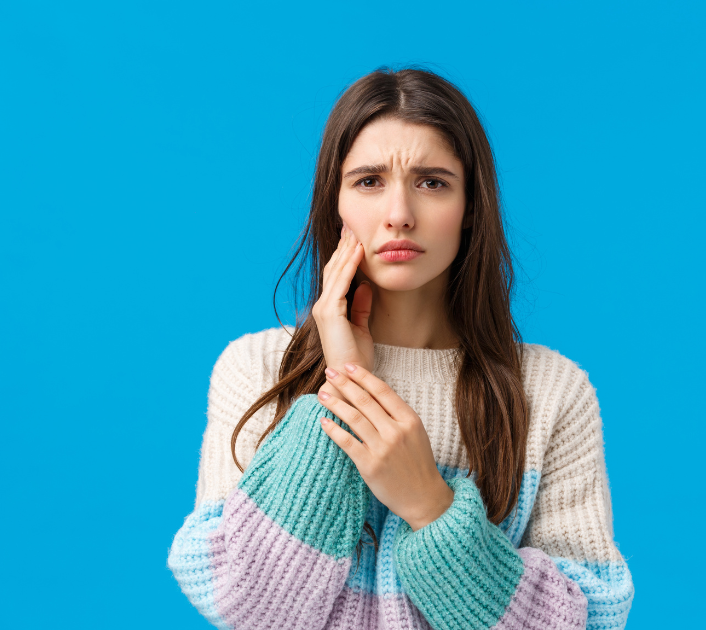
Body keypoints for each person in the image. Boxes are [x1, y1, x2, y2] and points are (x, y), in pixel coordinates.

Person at [167, 66, 635, 630]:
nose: (399, 215)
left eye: (433, 182)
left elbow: (593, 621)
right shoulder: (260, 368)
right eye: (368, 181)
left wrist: (431, 507)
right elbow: (247, 606)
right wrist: (341, 390)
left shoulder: (551, 392)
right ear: (333, 203)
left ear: (471, 209)